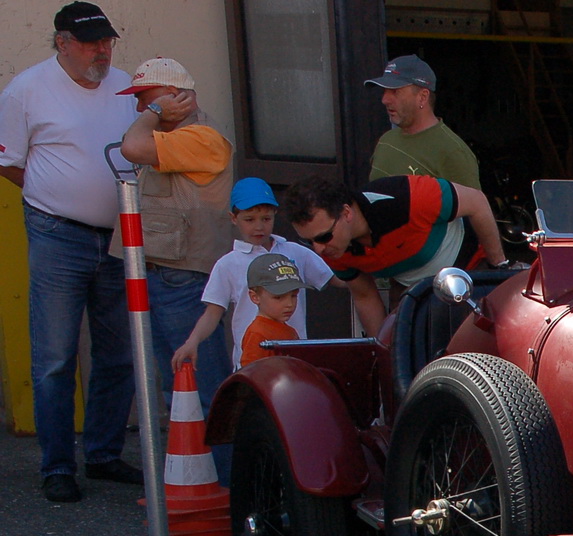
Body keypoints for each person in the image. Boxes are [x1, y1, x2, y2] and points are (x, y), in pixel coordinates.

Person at [0, 3, 140, 502]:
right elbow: (9, 162)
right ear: (61, 43)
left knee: (119, 351)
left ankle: (102, 455)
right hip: (57, 233)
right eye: (89, 42)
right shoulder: (25, 90)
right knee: (56, 357)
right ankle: (57, 465)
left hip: (120, 235)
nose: (101, 50)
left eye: (106, 40)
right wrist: (51, 193)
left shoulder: (126, 86)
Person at [114, 56, 234, 480]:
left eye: (145, 99)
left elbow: (132, 146)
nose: (139, 110)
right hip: (166, 271)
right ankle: (196, 482)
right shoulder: (176, 134)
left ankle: (225, 485)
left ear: (175, 97)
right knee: (179, 390)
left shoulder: (199, 136)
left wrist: (155, 115)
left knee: (200, 387)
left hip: (182, 276)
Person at [282, 174, 509, 336]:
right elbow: (364, 297)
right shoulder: (332, 248)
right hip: (415, 290)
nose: (318, 250)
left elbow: (477, 202)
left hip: (470, 271)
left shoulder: (408, 197)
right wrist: (384, 350)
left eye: (323, 237)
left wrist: (499, 267)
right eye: (308, 241)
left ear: (346, 213)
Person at [173, 178, 333, 371]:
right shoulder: (228, 264)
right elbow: (212, 313)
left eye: (266, 219)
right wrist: (192, 341)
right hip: (251, 364)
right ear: (233, 218)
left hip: (296, 360)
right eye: (249, 219)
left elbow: (335, 278)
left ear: (275, 214)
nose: (259, 227)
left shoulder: (294, 251)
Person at [365, 54, 480, 189]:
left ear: (422, 97)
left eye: (395, 91)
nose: (384, 100)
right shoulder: (386, 140)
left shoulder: (453, 153)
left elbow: (473, 208)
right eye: (384, 91)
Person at [237, 254, 305, 368]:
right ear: (255, 297)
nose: (289, 304)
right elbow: (250, 375)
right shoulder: (258, 333)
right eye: (278, 297)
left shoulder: (288, 330)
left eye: (294, 296)